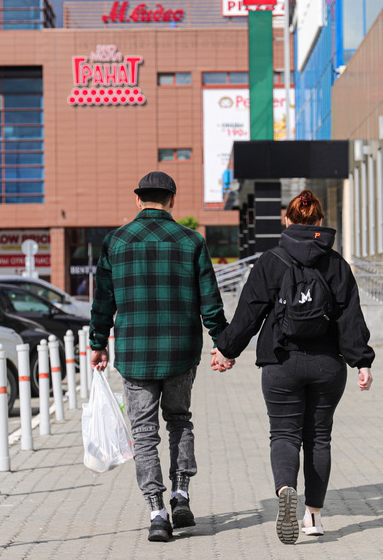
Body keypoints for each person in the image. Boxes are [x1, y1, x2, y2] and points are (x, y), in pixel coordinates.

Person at [213, 189, 373, 545]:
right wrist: (362, 361)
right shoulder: (336, 264)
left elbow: (250, 312)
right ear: (319, 222)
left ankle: (286, 489)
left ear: (287, 220)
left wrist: (226, 350)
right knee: (318, 438)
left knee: (284, 434)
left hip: (281, 362)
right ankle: (313, 517)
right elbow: (350, 318)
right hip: (328, 365)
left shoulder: (271, 260)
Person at [89, 171, 228, 543]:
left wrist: (98, 342)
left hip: (135, 354)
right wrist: (223, 343)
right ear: (172, 200)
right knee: (180, 420)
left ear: (138, 200)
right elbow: (209, 301)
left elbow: (103, 300)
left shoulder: (115, 242)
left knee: (143, 432)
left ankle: (157, 511)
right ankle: (181, 493)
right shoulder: (191, 241)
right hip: (181, 350)